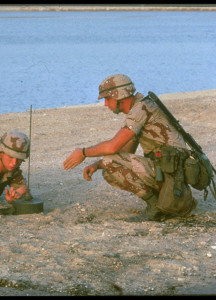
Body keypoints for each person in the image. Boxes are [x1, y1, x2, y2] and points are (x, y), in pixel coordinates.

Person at [63, 74, 197, 221]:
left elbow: (112, 147)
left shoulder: (140, 110)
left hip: (172, 175)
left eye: (108, 99)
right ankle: (165, 202)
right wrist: (97, 165)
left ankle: (157, 208)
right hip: (170, 173)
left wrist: (83, 152)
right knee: (109, 169)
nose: (106, 104)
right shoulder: (141, 107)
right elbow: (126, 151)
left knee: (110, 162)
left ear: (119, 96)